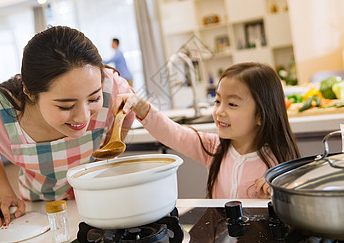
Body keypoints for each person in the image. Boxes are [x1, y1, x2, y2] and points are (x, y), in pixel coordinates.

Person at [0, 26, 135, 228]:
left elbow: (127, 113)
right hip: (41, 210)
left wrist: (110, 147)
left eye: (94, 98)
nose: (83, 116)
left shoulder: (112, 88)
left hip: (101, 200)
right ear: (28, 91)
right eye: (66, 106)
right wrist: (3, 195)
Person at [114, 62, 300, 199]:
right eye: (217, 101)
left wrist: (274, 195)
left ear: (261, 114)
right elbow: (173, 133)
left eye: (232, 104)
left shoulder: (280, 165)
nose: (219, 111)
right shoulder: (214, 147)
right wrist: (141, 107)